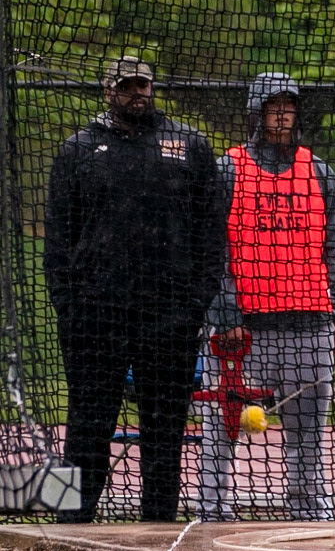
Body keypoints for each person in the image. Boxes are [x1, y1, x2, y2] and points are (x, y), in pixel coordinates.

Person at [44, 55, 225, 522]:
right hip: (95, 315)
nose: (137, 93)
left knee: (164, 433)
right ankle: (69, 525)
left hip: (169, 316)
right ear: (110, 92)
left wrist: (195, 304)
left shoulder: (189, 144)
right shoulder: (78, 148)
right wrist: (68, 305)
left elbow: (211, 233)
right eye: (127, 86)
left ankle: (158, 530)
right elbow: (59, 236)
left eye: (143, 85)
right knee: (85, 425)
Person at [198, 72, 335, 521]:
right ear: (256, 112)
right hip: (244, 329)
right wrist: (224, 313)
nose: (282, 115)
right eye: (273, 107)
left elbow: (333, 249)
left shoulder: (319, 172)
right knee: (222, 426)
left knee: (308, 431)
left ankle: (307, 506)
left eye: (289, 107)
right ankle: (212, 509)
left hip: (309, 324)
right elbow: (209, 249)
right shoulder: (228, 169)